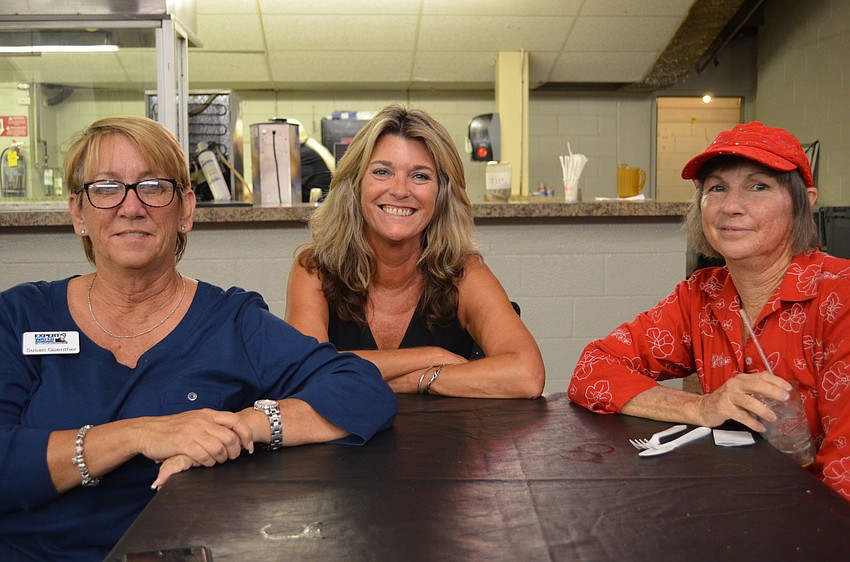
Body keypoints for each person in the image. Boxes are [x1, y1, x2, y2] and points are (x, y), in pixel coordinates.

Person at [0, 116, 397, 561]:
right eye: (107, 188)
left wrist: (243, 426)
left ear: (185, 209)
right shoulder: (19, 317)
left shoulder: (231, 321)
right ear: (78, 213)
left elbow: (361, 389)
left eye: (153, 186)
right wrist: (137, 435)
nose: (131, 207)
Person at [568, 121, 850, 500]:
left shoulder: (840, 297)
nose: (731, 207)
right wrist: (701, 406)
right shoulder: (702, 294)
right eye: (717, 188)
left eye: (759, 186)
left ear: (805, 200)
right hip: (734, 506)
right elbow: (592, 370)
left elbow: (843, 481)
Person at [286, 104, 545, 398]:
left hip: (441, 442)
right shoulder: (315, 270)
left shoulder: (463, 272)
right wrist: (429, 356)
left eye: (420, 176)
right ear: (355, 186)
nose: (400, 190)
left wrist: (414, 380)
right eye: (382, 172)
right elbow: (305, 374)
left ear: (442, 194)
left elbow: (527, 375)